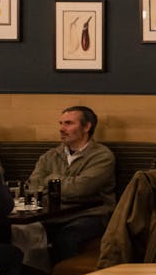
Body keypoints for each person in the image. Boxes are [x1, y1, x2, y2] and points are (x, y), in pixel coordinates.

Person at [27, 106, 117, 263]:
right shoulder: (50, 156)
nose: (62, 129)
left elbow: (81, 189)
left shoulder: (102, 156)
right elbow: (33, 187)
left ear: (87, 127)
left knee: (67, 235)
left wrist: (51, 179)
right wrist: (64, 188)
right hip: (54, 215)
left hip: (92, 215)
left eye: (68, 123)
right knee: (22, 231)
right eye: (61, 123)